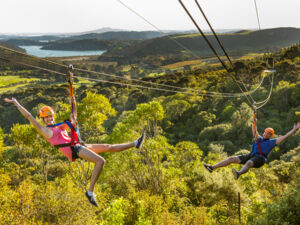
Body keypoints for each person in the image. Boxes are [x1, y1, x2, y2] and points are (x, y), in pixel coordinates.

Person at [4, 97, 145, 207]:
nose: (49, 119)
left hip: (77, 145)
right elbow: (29, 116)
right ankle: (90, 192)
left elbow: (74, 119)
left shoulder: (59, 127)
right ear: (43, 119)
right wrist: (16, 104)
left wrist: (74, 103)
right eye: (46, 117)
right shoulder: (46, 131)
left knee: (109, 147)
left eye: (50, 116)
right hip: (74, 150)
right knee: (101, 161)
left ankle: (135, 143)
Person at [203, 115, 300, 180]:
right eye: (266, 132)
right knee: (232, 158)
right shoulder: (258, 138)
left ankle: (238, 173)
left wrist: (294, 129)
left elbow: (285, 136)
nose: (267, 134)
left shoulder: (272, 142)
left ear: (271, 136)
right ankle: (212, 167)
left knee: (249, 162)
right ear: (264, 132)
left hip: (260, 159)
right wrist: (254, 120)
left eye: (269, 134)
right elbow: (254, 129)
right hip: (251, 155)